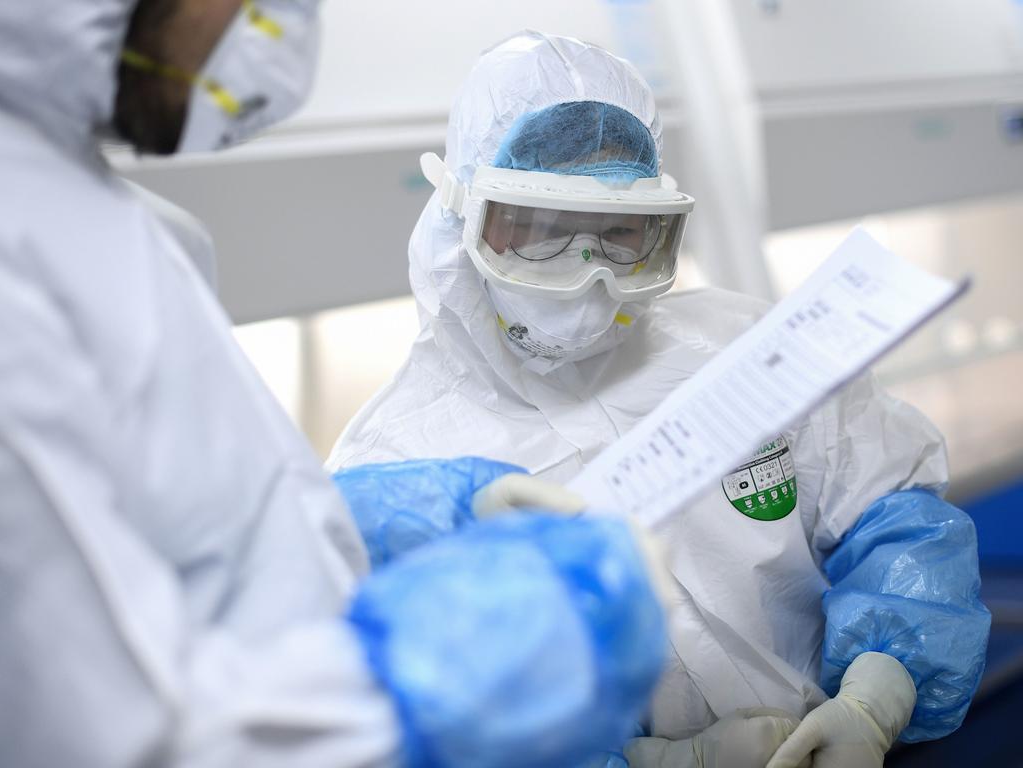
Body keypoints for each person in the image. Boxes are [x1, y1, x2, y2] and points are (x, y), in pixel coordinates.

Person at [0, 3, 673, 766]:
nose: (281, 27)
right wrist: (448, 679)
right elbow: (124, 738)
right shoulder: (19, 260)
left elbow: (159, 526)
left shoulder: (101, 214)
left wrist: (354, 521)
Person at [327, 31, 992, 767]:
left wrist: (876, 697)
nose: (589, 273)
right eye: (540, 231)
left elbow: (896, 516)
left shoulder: (747, 346)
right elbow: (434, 720)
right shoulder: (399, 471)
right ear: (464, 214)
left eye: (622, 235)